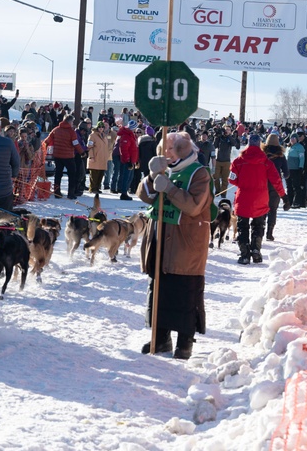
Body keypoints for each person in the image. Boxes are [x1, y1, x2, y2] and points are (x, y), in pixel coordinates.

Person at [137, 132, 212, 359]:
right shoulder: (164, 169)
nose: (166, 154)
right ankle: (160, 339)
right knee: (159, 289)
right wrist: (151, 176)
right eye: (163, 149)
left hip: (185, 243)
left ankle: (185, 342)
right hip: (160, 239)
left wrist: (170, 188)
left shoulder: (199, 173)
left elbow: (194, 206)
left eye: (171, 149)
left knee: (184, 292)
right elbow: (145, 196)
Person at [230, 134, 286, 265]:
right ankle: (256, 251)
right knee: (258, 225)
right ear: (259, 144)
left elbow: (231, 179)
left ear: (248, 144)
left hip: (243, 197)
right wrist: (283, 195)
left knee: (242, 226)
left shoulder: (238, 160)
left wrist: (241, 182)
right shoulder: (266, 162)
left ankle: (244, 255)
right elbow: (276, 180)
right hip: (261, 198)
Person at [47, 114, 84, 199]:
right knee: (72, 174)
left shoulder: (56, 129)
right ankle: (71, 193)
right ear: (70, 121)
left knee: (58, 174)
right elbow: (76, 144)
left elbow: (48, 140)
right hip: (68, 156)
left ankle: (57, 192)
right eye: (72, 122)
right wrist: (82, 152)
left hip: (57, 156)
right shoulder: (71, 132)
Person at [261, 133, 289, 241]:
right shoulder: (281, 156)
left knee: (262, 209)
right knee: (273, 209)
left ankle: (260, 231)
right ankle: (270, 233)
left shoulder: (262, 154)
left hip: (262, 184)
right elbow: (286, 173)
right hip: (275, 185)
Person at [113, 120, 139, 201]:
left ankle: (125, 191)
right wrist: (128, 160)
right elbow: (124, 149)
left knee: (129, 177)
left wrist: (135, 160)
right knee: (126, 177)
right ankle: (123, 193)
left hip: (132, 159)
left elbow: (133, 149)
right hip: (127, 160)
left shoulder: (131, 135)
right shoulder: (126, 136)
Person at [213, 125, 239, 196]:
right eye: (225, 129)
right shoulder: (220, 138)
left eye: (228, 130)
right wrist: (217, 136)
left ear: (230, 131)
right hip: (218, 160)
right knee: (216, 177)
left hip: (227, 161)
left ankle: (223, 193)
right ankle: (217, 191)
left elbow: (234, 143)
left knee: (225, 179)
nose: (226, 131)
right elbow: (214, 146)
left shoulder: (230, 138)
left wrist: (228, 136)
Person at [86, 121, 111, 195]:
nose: (101, 128)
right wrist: (91, 156)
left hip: (103, 158)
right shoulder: (92, 135)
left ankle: (97, 187)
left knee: (100, 174)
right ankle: (92, 188)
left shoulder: (104, 136)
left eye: (102, 127)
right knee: (94, 174)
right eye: (99, 127)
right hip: (95, 157)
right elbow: (89, 147)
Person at [287, 134, 306, 209]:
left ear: (297, 139)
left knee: (296, 186)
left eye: (294, 138)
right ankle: (289, 201)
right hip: (288, 169)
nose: (292, 139)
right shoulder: (288, 147)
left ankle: (297, 202)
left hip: (296, 169)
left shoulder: (299, 147)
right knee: (289, 186)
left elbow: (302, 158)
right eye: (291, 138)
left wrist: (300, 167)